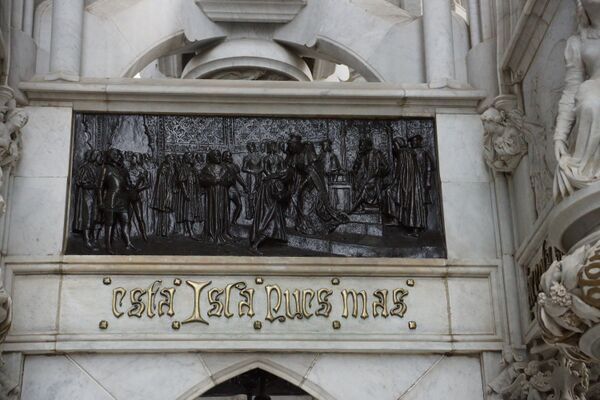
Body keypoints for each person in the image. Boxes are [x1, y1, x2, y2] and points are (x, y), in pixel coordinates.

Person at [554, 0, 600, 200]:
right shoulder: (578, 42)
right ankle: (589, 170)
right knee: (590, 102)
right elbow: (571, 91)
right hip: (595, 89)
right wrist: (560, 135)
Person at [250, 141, 288, 254]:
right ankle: (255, 245)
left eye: (273, 146)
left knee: (273, 219)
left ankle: (268, 240)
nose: (272, 148)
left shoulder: (279, 158)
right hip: (271, 188)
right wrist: (273, 176)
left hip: (273, 187)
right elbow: (264, 169)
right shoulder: (266, 159)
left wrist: (278, 176)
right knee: (268, 219)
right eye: (270, 146)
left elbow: (282, 169)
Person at [97, 149, 136, 254]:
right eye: (115, 154)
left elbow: (128, 183)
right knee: (109, 223)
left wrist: (129, 188)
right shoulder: (106, 168)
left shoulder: (123, 169)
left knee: (125, 221)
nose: (118, 156)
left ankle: (128, 243)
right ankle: (108, 245)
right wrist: (100, 201)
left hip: (123, 199)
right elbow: (100, 187)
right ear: (110, 156)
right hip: (111, 199)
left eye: (118, 154)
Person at [199, 149, 235, 244]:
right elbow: (202, 179)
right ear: (211, 157)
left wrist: (224, 181)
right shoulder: (207, 168)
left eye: (219, 155)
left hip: (223, 192)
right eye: (216, 155)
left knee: (223, 212)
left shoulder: (224, 168)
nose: (218, 157)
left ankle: (223, 232)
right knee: (213, 212)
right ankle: (212, 233)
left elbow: (231, 179)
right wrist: (212, 180)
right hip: (212, 193)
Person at [402, 135, 434, 237]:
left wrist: (428, 181)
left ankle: (418, 228)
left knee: (419, 204)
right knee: (413, 204)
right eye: (412, 141)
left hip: (420, 181)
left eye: (415, 141)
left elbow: (429, 167)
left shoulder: (424, 152)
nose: (413, 143)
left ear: (419, 141)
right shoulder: (410, 152)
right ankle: (415, 227)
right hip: (412, 182)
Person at [349, 136, 390, 213]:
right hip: (366, 179)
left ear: (367, 145)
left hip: (376, 180)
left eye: (362, 145)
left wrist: (378, 171)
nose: (360, 147)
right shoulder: (363, 156)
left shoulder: (377, 153)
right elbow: (358, 170)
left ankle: (353, 208)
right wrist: (358, 157)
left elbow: (386, 167)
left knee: (365, 187)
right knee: (357, 185)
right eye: (360, 146)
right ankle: (359, 207)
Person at [72, 150, 101, 249]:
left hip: (95, 196)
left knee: (94, 217)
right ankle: (87, 240)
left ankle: (93, 239)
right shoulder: (85, 167)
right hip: (87, 195)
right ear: (93, 156)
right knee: (87, 217)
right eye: (98, 155)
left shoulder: (98, 168)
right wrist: (92, 185)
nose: (100, 158)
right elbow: (80, 181)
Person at [127, 153, 150, 241]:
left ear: (137, 159)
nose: (131, 159)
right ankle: (127, 237)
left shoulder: (142, 171)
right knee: (128, 218)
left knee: (140, 217)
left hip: (137, 196)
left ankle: (144, 235)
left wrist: (138, 189)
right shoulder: (128, 169)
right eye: (131, 158)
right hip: (128, 195)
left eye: (133, 158)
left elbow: (147, 184)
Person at [222, 150, 249, 224]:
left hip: (232, 188)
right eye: (228, 156)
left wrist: (244, 186)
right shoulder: (221, 166)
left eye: (230, 155)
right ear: (224, 157)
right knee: (226, 207)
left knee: (239, 205)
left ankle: (234, 220)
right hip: (223, 188)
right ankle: (225, 222)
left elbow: (238, 177)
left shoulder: (234, 166)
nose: (230, 157)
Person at [152, 155, 176, 237]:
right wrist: (166, 190)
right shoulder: (164, 167)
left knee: (166, 211)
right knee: (163, 211)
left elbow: (172, 178)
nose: (172, 160)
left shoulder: (171, 167)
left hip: (169, 190)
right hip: (164, 191)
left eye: (172, 159)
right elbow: (162, 181)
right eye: (170, 159)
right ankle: (162, 230)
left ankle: (165, 231)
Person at [242, 142, 263, 220]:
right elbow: (243, 168)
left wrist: (258, 171)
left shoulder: (260, 156)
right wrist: (251, 171)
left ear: (254, 147)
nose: (251, 148)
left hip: (259, 176)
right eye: (250, 147)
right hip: (251, 177)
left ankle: (259, 212)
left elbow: (262, 167)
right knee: (251, 194)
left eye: (252, 146)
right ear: (248, 148)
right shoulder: (247, 157)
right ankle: (251, 213)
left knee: (259, 193)